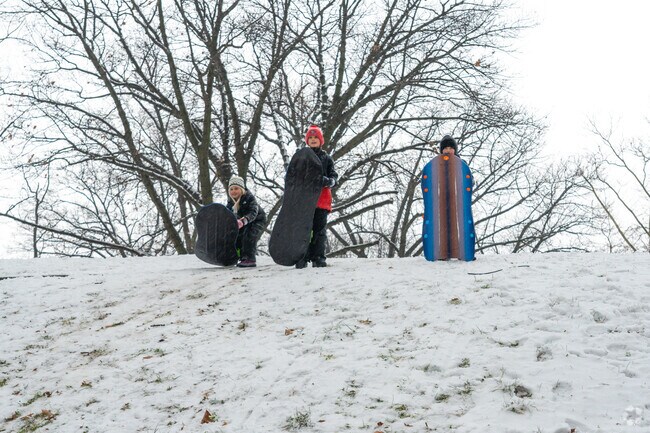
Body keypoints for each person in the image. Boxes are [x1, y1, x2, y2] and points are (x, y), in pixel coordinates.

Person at [296, 125, 338, 269]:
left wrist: (327, 181)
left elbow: (333, 177)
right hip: (305, 201)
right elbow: (294, 175)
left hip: (321, 200)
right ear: (307, 140)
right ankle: (302, 256)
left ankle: (318, 257)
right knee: (304, 230)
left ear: (321, 140)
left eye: (316, 138)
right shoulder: (302, 156)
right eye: (311, 138)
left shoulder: (326, 158)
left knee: (319, 230)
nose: (313, 140)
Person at [226, 176, 266, 268]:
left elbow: (253, 212)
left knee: (249, 235)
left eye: (236, 188)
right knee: (236, 236)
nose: (233, 191)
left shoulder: (249, 198)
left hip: (257, 220)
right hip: (241, 222)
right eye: (231, 189)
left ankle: (250, 259)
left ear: (242, 189)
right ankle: (239, 256)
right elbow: (228, 214)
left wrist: (244, 220)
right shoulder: (231, 202)